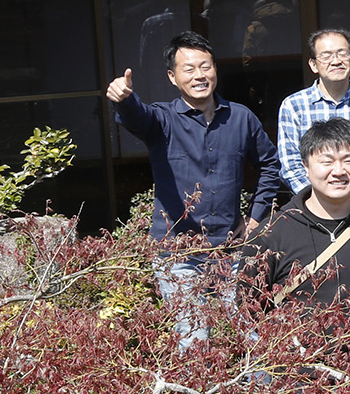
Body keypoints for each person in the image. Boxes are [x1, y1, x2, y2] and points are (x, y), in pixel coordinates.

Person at [107, 31, 284, 347]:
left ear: (215, 69)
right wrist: (126, 99)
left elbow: (270, 166)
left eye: (206, 66)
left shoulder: (241, 117)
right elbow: (138, 118)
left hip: (231, 250)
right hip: (178, 252)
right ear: (172, 77)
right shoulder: (162, 120)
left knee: (251, 335)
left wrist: (256, 217)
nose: (200, 75)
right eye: (189, 69)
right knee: (193, 340)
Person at [243, 118, 350, 308]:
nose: (338, 171)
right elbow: (249, 307)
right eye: (326, 161)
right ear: (305, 166)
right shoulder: (272, 233)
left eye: (349, 160)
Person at [278, 29, 350, 193]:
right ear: (313, 65)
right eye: (326, 56)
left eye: (342, 54)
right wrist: (319, 200)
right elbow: (290, 165)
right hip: (313, 205)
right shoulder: (293, 106)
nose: (336, 61)